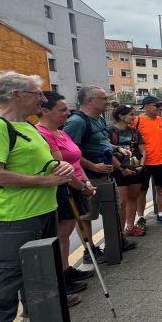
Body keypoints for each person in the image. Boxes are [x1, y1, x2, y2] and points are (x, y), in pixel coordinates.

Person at [0, 72, 74, 322]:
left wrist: (60, 169)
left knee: (40, 266)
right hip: (17, 212)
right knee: (8, 271)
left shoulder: (28, 127)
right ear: (16, 95)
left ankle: (38, 309)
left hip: (44, 208)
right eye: (37, 93)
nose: (43, 99)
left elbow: (45, 163)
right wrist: (47, 181)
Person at [35, 91, 96, 297]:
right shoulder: (43, 134)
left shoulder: (62, 132)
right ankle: (61, 276)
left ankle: (66, 269)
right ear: (44, 111)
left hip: (77, 184)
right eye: (62, 110)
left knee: (67, 233)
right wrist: (82, 187)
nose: (67, 114)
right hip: (64, 188)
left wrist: (86, 182)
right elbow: (60, 168)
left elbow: (75, 161)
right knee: (61, 235)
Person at [64, 85, 131, 259]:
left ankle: (115, 242)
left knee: (112, 209)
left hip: (106, 173)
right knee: (87, 215)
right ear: (89, 101)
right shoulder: (76, 122)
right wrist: (93, 166)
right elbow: (67, 152)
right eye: (103, 98)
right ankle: (90, 250)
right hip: (89, 176)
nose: (108, 101)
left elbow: (102, 140)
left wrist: (117, 148)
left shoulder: (99, 119)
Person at [134, 95, 162, 227]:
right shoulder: (137, 121)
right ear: (145, 106)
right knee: (141, 191)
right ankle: (140, 217)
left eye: (160, 106)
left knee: (161, 188)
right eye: (156, 106)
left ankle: (161, 214)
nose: (159, 108)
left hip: (161, 161)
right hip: (143, 162)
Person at [108, 104, 147, 237]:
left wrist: (141, 165)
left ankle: (130, 227)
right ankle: (120, 232)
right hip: (118, 170)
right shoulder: (109, 131)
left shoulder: (134, 132)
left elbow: (143, 150)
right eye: (131, 114)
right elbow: (108, 152)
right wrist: (121, 168)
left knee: (133, 198)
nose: (134, 117)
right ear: (121, 116)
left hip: (135, 169)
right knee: (122, 202)